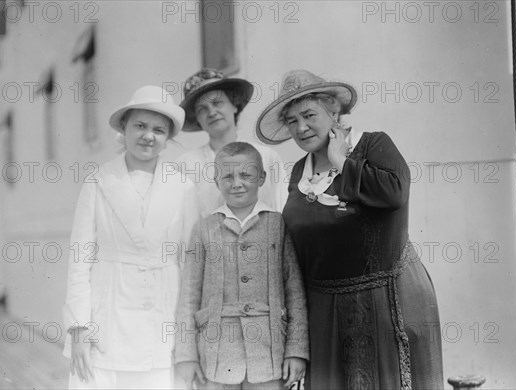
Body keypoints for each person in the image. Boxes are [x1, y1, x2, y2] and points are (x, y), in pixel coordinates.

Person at [256, 70, 444, 389]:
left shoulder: (374, 144)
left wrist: (341, 161)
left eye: (309, 115)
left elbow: (394, 193)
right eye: (291, 120)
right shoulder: (300, 171)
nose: (301, 127)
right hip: (325, 311)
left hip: (384, 300)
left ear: (333, 111)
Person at [63, 85, 200, 389]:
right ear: (124, 127)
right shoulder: (99, 181)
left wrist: (187, 340)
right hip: (108, 314)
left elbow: (191, 267)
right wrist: (78, 329)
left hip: (162, 313)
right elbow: (79, 261)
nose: (148, 136)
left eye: (158, 130)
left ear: (168, 139)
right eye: (139, 125)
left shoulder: (182, 187)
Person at [174, 142, 309, 390]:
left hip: (269, 355)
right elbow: (188, 296)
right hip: (215, 356)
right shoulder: (204, 228)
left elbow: (295, 293)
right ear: (216, 181)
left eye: (246, 174)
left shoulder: (279, 225)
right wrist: (186, 355)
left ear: (261, 177)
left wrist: (297, 350)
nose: (237, 183)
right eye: (227, 176)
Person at [176, 68, 288, 217]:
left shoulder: (267, 157)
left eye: (217, 103)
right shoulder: (185, 165)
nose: (212, 112)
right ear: (197, 118)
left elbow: (282, 208)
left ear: (234, 105)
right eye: (202, 109)